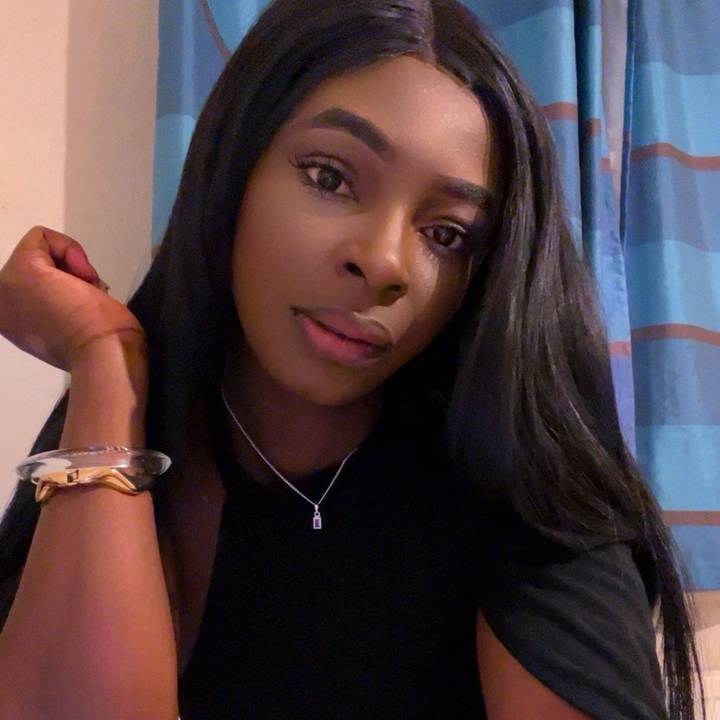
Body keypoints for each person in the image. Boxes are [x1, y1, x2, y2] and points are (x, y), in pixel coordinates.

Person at [0, 0, 706, 718]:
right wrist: (104, 363)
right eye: (330, 177)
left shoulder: (524, 493)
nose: (384, 262)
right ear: (234, 165)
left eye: (446, 234)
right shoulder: (125, 423)